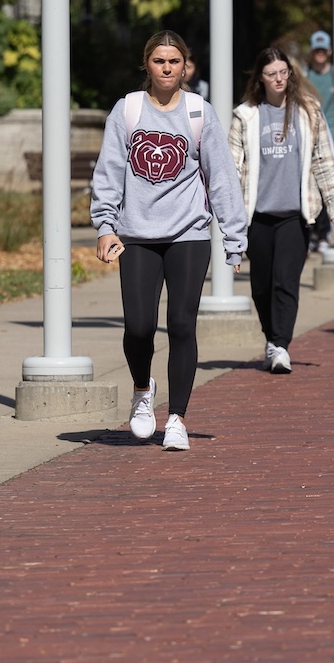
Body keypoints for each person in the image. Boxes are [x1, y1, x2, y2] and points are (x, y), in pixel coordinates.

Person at [90, 30, 247, 452]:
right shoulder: (128, 109)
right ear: (148, 64)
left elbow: (222, 177)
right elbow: (108, 173)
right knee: (138, 328)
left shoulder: (199, 112)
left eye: (174, 62)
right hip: (137, 235)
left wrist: (235, 237)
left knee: (181, 324)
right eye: (159, 61)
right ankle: (143, 390)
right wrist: (105, 226)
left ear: (185, 66)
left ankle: (177, 416)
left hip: (189, 234)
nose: (166, 68)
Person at [227, 47, 334, 375]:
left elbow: (324, 162)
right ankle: (271, 337)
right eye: (271, 74)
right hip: (258, 217)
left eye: (283, 72)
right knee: (262, 286)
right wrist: (228, 220)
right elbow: (231, 169)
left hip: (295, 214)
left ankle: (281, 345)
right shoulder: (246, 116)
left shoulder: (308, 112)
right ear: (260, 78)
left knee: (285, 281)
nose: (279, 79)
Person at [302, 29, 334, 253]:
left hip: (332, 138)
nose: (320, 54)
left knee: (327, 187)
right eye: (317, 50)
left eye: (324, 50)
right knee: (308, 187)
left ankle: (324, 233)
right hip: (308, 138)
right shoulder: (304, 76)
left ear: (330, 51)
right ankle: (311, 233)